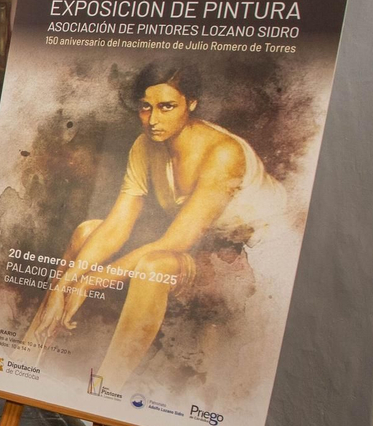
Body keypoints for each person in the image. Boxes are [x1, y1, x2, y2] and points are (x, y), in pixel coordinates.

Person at [19, 63, 287, 392]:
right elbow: (118, 223)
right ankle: (27, 354)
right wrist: (68, 283)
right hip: (202, 250)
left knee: (153, 265)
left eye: (166, 106)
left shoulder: (223, 153)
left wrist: (87, 284)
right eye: (146, 107)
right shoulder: (145, 145)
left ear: (192, 103)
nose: (154, 119)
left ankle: (104, 387)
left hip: (256, 263)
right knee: (87, 231)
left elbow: (178, 239)